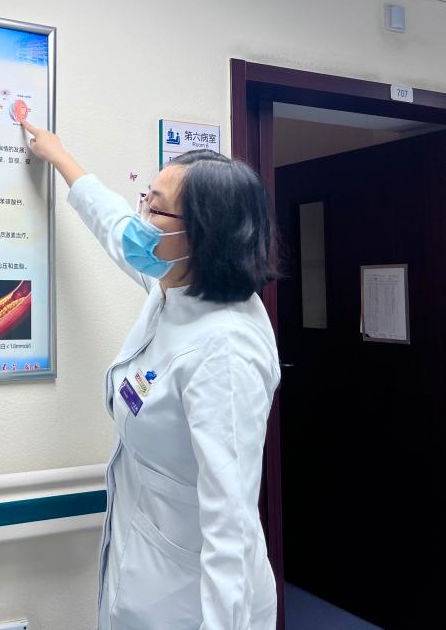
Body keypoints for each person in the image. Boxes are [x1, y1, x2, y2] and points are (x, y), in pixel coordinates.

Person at [22, 120, 280, 629]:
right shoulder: (174, 283)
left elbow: (231, 526)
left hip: (193, 603)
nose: (140, 217)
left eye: (155, 209)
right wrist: (59, 156)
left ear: (204, 234)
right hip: (146, 571)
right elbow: (115, 226)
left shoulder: (226, 350)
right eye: (146, 199)